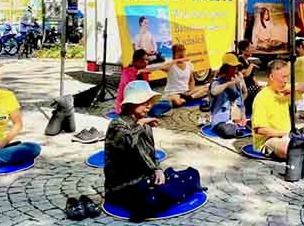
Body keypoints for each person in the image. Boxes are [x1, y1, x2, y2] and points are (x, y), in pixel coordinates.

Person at [105, 80, 204, 222]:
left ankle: (173, 185)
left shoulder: (144, 122)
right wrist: (140, 124)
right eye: (144, 101)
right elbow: (128, 144)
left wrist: (157, 169)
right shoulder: (117, 124)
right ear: (132, 103)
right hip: (122, 187)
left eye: (149, 101)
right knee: (147, 203)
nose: (149, 105)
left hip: (145, 181)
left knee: (191, 175)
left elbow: (149, 153)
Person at [252, 59, 304, 159]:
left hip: (288, 132)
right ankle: (296, 142)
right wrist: (284, 134)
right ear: (271, 77)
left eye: (287, 77)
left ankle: (296, 141)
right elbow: (260, 130)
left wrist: (292, 88)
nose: (286, 80)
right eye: (283, 77)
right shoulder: (261, 98)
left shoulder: (284, 89)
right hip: (270, 139)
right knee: (287, 149)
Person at [115, 49, 172, 118]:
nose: (145, 62)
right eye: (142, 60)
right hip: (131, 104)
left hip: (143, 102)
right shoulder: (127, 73)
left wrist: (149, 103)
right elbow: (129, 97)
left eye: (147, 60)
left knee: (167, 104)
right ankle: (146, 113)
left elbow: (163, 66)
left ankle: (148, 112)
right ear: (135, 60)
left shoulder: (144, 70)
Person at [209, 53, 248, 139]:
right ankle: (233, 129)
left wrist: (243, 116)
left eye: (236, 67)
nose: (235, 69)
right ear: (226, 68)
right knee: (227, 131)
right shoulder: (217, 82)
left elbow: (240, 101)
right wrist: (229, 84)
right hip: (221, 120)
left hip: (235, 118)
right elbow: (214, 92)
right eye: (233, 67)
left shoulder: (237, 81)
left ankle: (235, 127)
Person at [237, 39, 262, 115]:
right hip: (245, 87)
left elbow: (253, 77)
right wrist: (251, 66)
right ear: (243, 50)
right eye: (250, 48)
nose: (252, 50)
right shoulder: (240, 60)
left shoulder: (247, 60)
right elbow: (245, 74)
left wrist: (258, 85)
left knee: (264, 91)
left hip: (251, 86)